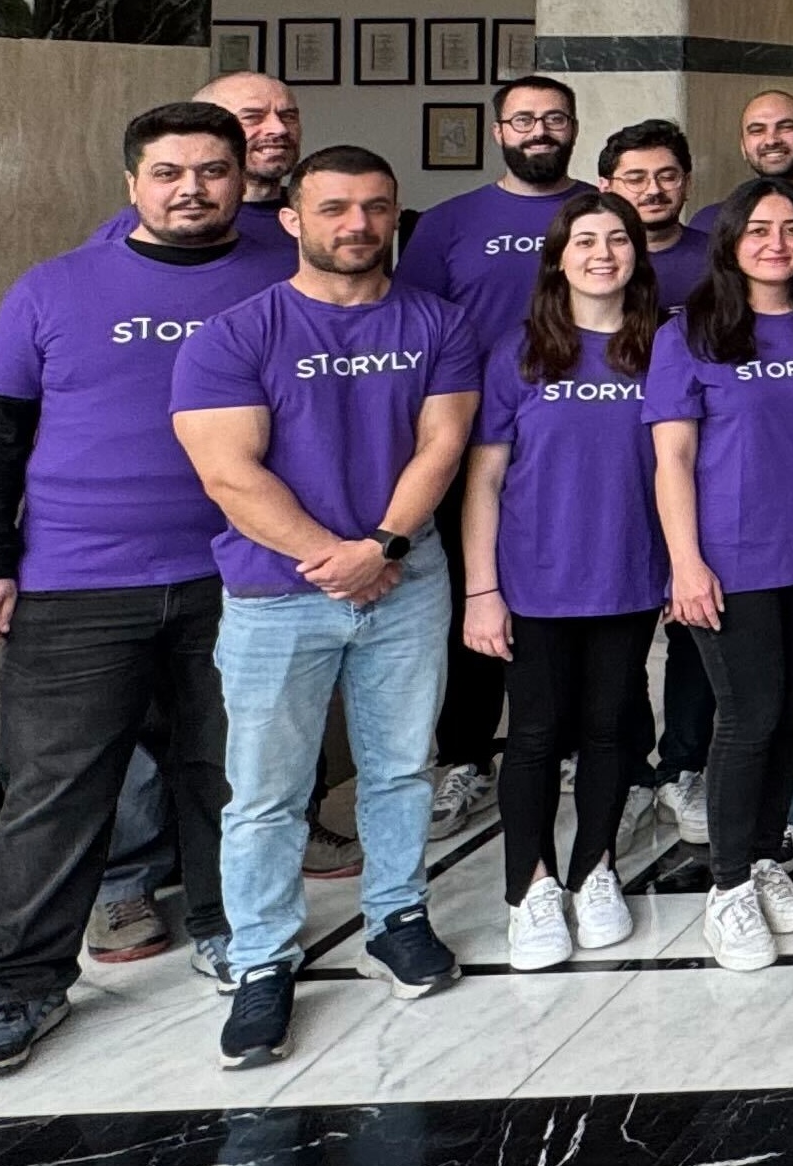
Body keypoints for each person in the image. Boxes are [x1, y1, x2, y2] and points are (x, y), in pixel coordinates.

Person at [0, 103, 295, 1080]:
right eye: (170, 171)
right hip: (74, 584)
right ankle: (22, 985)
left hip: (240, 576)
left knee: (232, 773)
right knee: (55, 791)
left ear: (241, 179)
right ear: (133, 183)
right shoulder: (55, 288)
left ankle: (234, 931)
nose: (193, 188)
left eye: (213, 171)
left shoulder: (282, 279)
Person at [170, 144, 481, 1066]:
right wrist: (336, 560)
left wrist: (381, 547)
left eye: (377, 208)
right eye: (336, 208)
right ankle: (263, 959)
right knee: (266, 792)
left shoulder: (438, 323)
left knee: (399, 767)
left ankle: (397, 915)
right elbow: (229, 474)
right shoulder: (235, 334)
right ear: (294, 220)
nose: (358, 225)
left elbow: (443, 443)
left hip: (406, 576)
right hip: (275, 593)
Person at [646, 178, 793, 971]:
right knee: (746, 719)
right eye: (758, 229)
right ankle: (726, 889)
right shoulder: (690, 333)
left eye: (791, 229)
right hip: (732, 559)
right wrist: (684, 562)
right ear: (731, 241)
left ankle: (761, 857)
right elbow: (671, 458)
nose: (776, 243)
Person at [461, 192, 670, 969]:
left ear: (636, 256)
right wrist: (482, 590)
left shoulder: (662, 348)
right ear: (558, 257)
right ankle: (531, 887)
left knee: (612, 727)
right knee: (538, 734)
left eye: (618, 239)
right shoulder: (520, 351)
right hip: (536, 577)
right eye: (585, 240)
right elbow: (483, 481)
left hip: (628, 571)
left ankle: (595, 868)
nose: (603, 253)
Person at [402, 76, 582, 841]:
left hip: (582, 439)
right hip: (469, 441)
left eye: (553, 119)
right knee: (473, 602)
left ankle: (581, 744)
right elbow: (409, 330)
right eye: (524, 120)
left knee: (580, 597)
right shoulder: (449, 224)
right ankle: (467, 758)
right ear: (498, 130)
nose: (539, 130)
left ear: (573, 127)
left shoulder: (599, 213)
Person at [92, 72, 301, 255]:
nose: (279, 129)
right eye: (252, 117)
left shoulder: (311, 213)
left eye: (288, 116)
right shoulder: (140, 225)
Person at [598, 119, 709, 306]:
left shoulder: (720, 258)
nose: (654, 190)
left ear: (688, 184)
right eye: (635, 180)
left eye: (667, 177)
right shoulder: (593, 262)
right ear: (605, 188)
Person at [687, 89, 793, 229]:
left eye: (786, 127)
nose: (771, 140)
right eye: (757, 130)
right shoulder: (711, 222)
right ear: (743, 146)